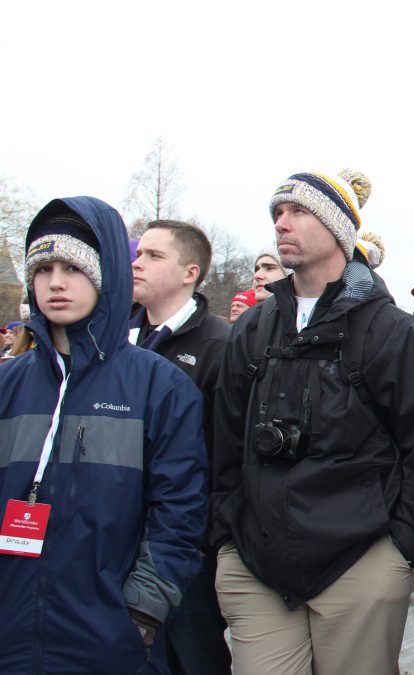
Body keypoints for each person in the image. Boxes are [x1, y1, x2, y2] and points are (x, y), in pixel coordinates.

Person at [211, 169, 414, 675]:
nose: (282, 223)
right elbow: (225, 441)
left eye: (298, 212)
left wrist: (400, 549)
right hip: (258, 561)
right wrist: (226, 537)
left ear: (340, 229)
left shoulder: (391, 331)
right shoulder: (254, 327)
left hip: (360, 561)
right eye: (277, 213)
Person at [0, 196, 207, 673]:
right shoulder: (9, 384)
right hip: (11, 635)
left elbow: (179, 510)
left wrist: (140, 613)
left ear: (105, 273)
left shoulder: (159, 385)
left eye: (72, 268)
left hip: (111, 638)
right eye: (43, 268)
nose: (55, 282)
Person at [130, 219, 232, 674]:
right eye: (138, 254)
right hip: (114, 538)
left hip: (186, 547)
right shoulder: (112, 340)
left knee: (192, 659)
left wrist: (208, 538)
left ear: (190, 272)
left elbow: (226, 451)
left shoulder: (220, 345)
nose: (137, 264)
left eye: (154, 256)